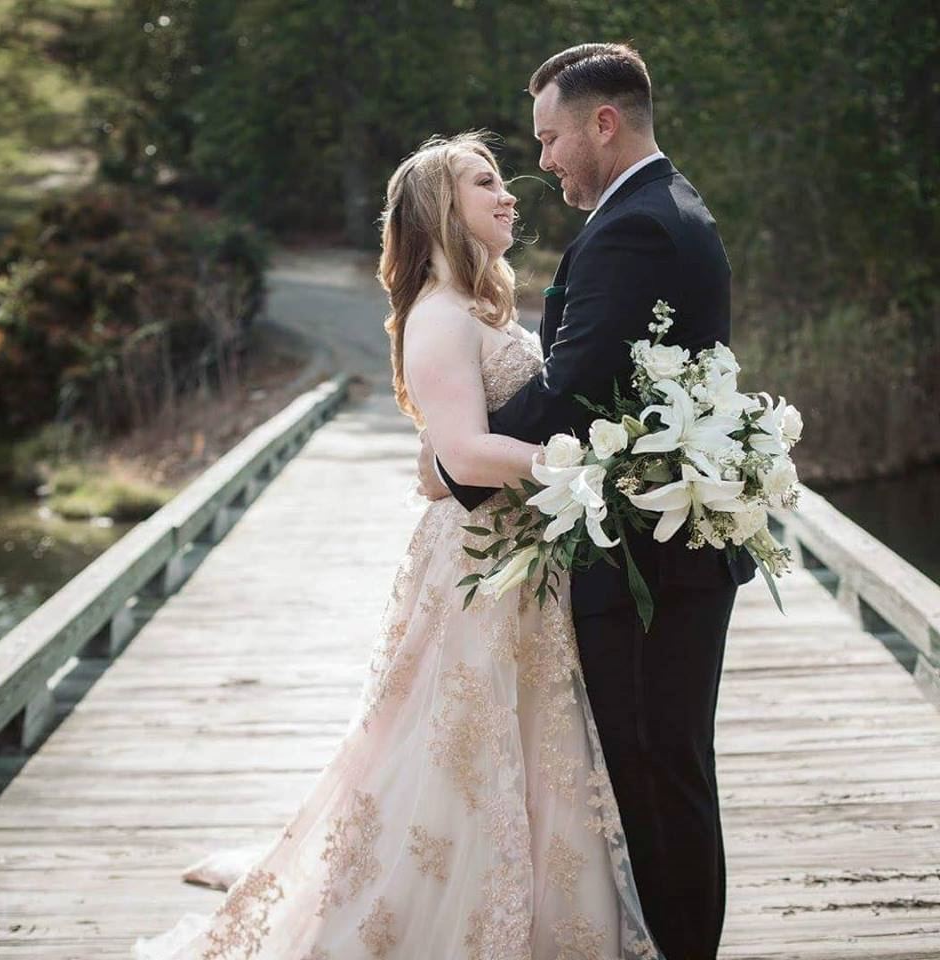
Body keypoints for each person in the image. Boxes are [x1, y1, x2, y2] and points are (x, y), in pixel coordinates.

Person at [132, 132, 661, 959]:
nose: (509, 195)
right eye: (485, 182)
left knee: (530, 743)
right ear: (440, 207)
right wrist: (593, 466)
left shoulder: (482, 306)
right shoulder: (438, 314)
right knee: (455, 747)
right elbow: (464, 455)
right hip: (479, 561)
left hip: (520, 556)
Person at [419, 44, 757, 960]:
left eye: (550, 138)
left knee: (656, 776)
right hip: (660, 547)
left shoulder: (635, 227)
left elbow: (571, 389)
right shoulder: (663, 207)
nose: (544, 161)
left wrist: (457, 460)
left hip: (650, 561)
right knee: (664, 770)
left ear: (602, 123)